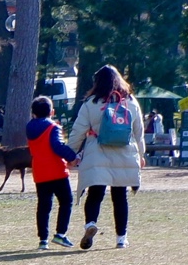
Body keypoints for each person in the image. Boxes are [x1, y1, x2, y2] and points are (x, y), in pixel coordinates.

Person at [67, 64, 145, 250]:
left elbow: (78, 131)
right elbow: (138, 132)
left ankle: (91, 223)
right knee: (120, 197)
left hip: (97, 152)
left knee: (95, 194)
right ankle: (121, 238)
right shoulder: (131, 102)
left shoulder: (92, 103)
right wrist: (141, 155)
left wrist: (71, 152)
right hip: (125, 153)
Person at [25, 95, 78, 250]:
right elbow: (57, 146)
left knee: (43, 205)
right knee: (66, 201)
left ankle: (43, 239)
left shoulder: (29, 127)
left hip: (40, 172)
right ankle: (60, 234)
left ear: (33, 112)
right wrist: (72, 157)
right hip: (56, 171)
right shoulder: (53, 127)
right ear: (52, 111)